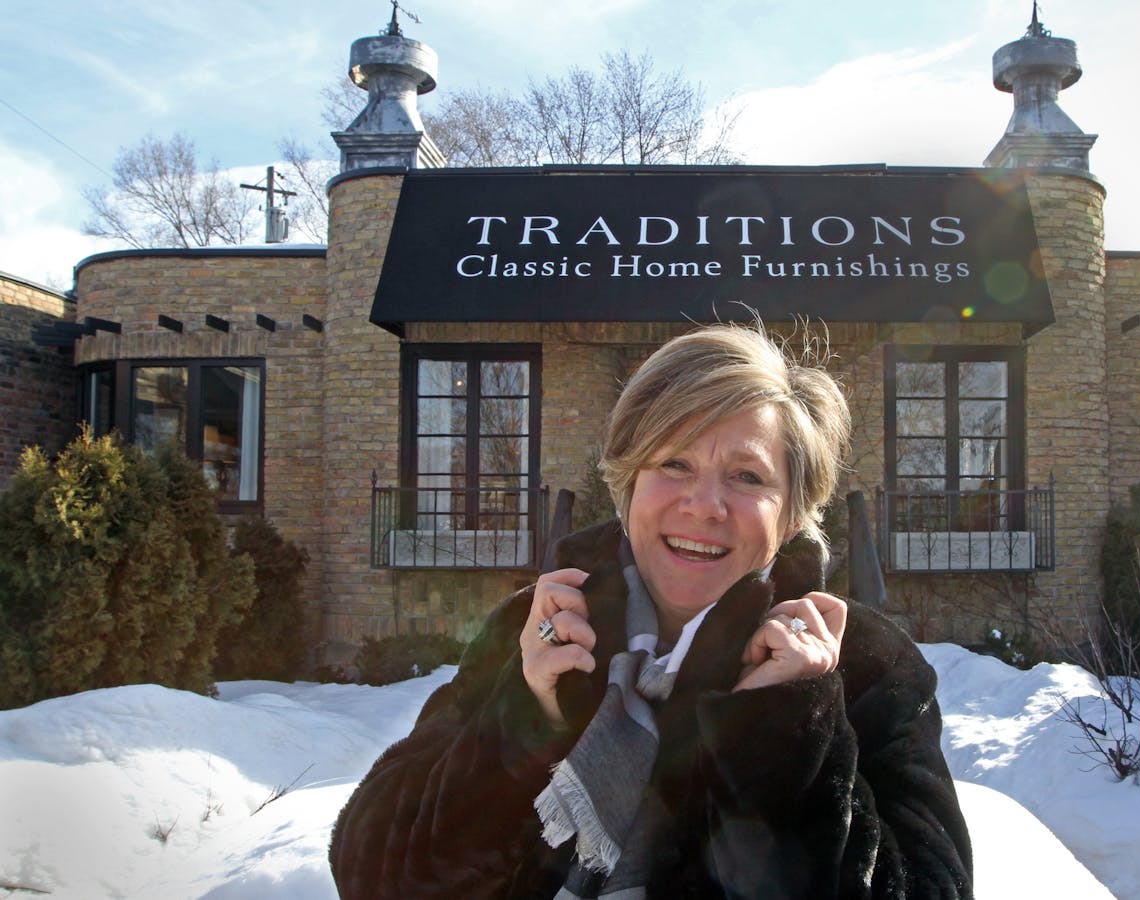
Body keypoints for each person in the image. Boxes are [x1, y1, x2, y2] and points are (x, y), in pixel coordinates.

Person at [329, 322, 973, 899]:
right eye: (674, 462)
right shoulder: (536, 630)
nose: (704, 504)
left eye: (747, 477)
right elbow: (376, 873)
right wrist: (525, 719)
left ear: (795, 512)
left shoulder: (861, 663)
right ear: (628, 483)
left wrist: (790, 734)